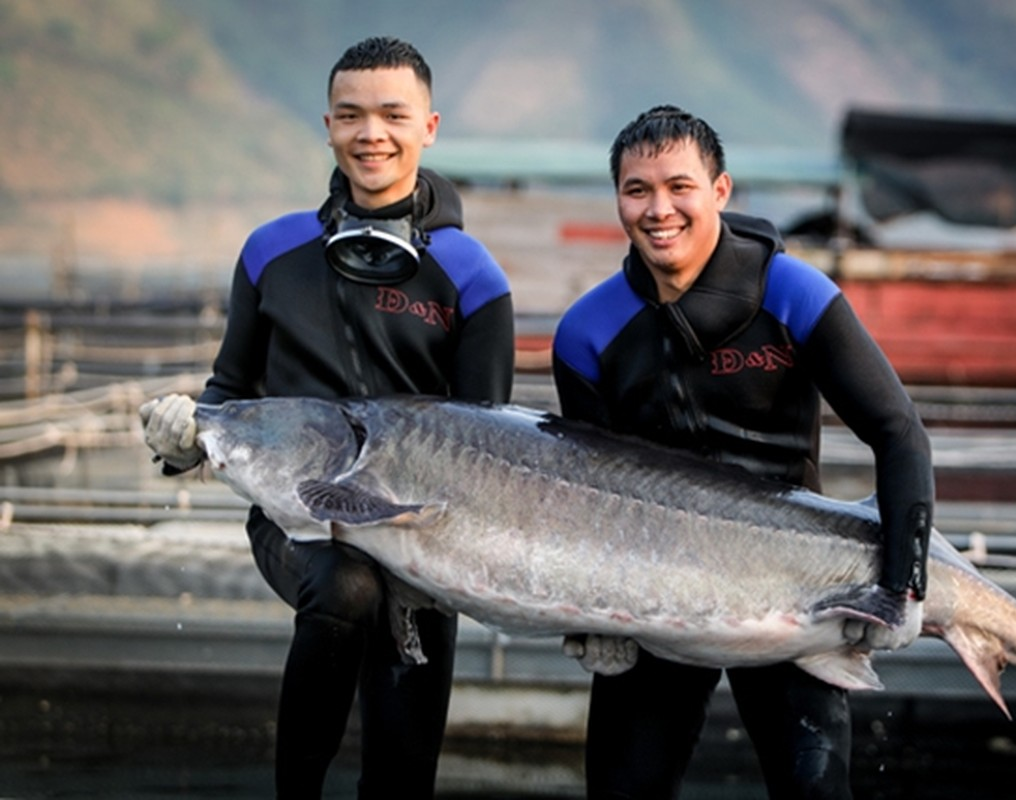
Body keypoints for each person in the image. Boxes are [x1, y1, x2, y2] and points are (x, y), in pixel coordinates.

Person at [140, 37, 514, 799]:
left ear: (429, 127)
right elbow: (229, 388)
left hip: (422, 538)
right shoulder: (272, 252)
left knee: (403, 773)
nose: (370, 132)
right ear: (327, 124)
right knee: (346, 587)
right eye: (350, 115)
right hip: (299, 521)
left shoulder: (472, 274)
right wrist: (181, 440)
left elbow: (489, 445)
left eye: (391, 114)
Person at [551, 105, 934, 799]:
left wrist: (901, 584)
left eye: (679, 186)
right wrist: (586, 611)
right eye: (636, 190)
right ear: (618, 200)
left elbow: (897, 431)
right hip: (653, 598)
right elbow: (588, 495)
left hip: (794, 591)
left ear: (720, 191)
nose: (657, 208)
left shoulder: (793, 293)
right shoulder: (588, 331)